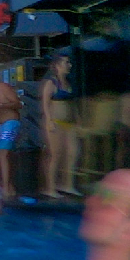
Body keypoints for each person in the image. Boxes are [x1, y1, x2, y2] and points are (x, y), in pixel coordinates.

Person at [40, 51, 79, 199]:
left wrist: (78, 120)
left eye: (69, 62)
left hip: (69, 124)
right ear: (57, 65)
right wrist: (49, 121)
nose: (69, 65)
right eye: (66, 63)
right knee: (55, 155)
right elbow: (45, 103)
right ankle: (50, 187)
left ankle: (68, 184)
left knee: (73, 153)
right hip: (56, 123)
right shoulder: (51, 83)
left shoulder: (68, 83)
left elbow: (73, 105)